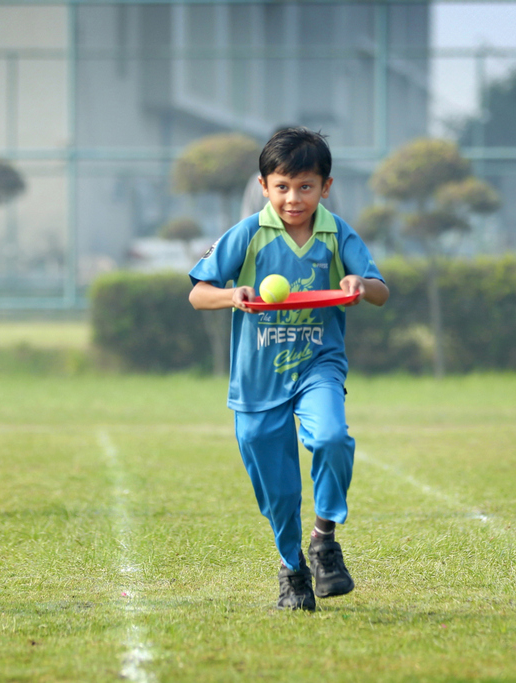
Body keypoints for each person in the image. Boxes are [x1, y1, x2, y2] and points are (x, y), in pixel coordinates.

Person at [188, 127, 389, 611]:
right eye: (282, 186)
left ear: (326, 186)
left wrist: (358, 282)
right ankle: (292, 569)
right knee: (278, 494)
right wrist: (231, 295)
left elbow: (381, 291)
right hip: (258, 380)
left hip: (318, 364)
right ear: (264, 186)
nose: (293, 198)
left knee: (332, 439)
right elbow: (197, 293)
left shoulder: (337, 233)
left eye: (305, 186)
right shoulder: (248, 234)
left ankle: (323, 541)